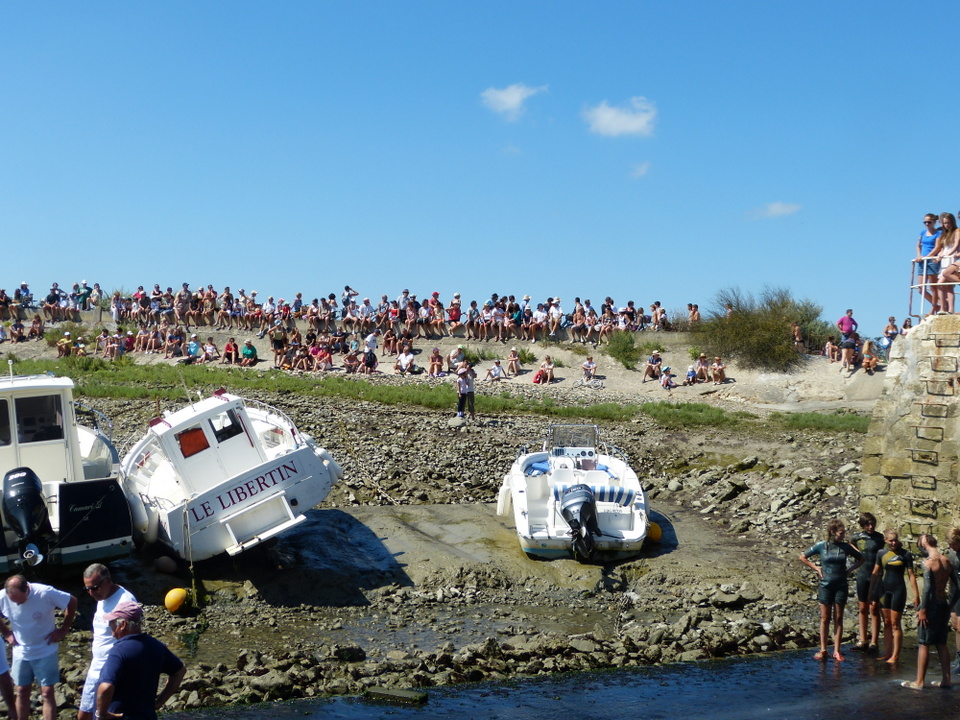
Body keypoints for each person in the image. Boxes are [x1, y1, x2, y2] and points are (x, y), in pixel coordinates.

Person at [0, 575, 77, 720]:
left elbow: (71, 601)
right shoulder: (3, 597)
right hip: (21, 650)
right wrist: (5, 632)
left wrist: (63, 630)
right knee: (22, 690)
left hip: (45, 648)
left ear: (27, 588)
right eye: (13, 601)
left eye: (20, 600)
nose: (17, 604)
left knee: (47, 692)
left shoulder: (44, 593)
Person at [95, 602, 184, 720]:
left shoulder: (118, 651)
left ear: (123, 624)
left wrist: (101, 714)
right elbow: (180, 671)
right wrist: (160, 702)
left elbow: (105, 687)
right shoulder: (156, 646)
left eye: (112, 623)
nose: (110, 628)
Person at [799, 519, 864, 661]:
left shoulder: (846, 547)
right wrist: (816, 568)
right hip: (825, 585)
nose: (843, 535)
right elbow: (803, 556)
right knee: (825, 618)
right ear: (833, 532)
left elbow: (861, 558)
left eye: (844, 533)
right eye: (841, 533)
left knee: (838, 618)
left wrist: (849, 570)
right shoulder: (822, 546)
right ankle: (823, 649)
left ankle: (836, 650)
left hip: (841, 585)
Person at [77, 565, 136, 720]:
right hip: (95, 667)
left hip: (113, 670)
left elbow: (131, 638)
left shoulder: (125, 601)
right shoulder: (101, 597)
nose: (91, 593)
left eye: (94, 588)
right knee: (84, 714)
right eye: (87, 589)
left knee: (106, 715)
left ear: (108, 581)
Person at [903, 534, 959, 689]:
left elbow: (927, 589)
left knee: (924, 643)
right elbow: (958, 588)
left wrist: (923, 610)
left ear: (924, 544)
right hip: (943, 605)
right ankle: (946, 680)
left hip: (931, 605)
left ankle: (919, 682)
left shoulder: (928, 562)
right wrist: (950, 606)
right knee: (942, 643)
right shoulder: (947, 561)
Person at [866, 530, 917, 665]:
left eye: (895, 540)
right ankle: (888, 653)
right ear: (885, 540)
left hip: (898, 590)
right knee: (887, 623)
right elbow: (875, 572)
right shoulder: (881, 553)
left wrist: (916, 594)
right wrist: (871, 592)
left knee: (895, 624)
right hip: (883, 590)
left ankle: (895, 655)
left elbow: (911, 575)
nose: (893, 543)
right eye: (890, 540)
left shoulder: (905, 554)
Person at [851, 512, 884, 654]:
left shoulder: (879, 538)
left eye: (872, 524)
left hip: (876, 575)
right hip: (862, 575)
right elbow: (850, 543)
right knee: (863, 607)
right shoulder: (858, 537)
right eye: (867, 524)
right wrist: (858, 554)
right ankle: (863, 639)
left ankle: (874, 641)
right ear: (863, 525)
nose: (870, 527)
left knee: (874, 607)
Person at [916, 213, 943, 313]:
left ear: (934, 222)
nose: (927, 224)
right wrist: (919, 255)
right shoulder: (923, 232)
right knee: (920, 287)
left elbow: (937, 247)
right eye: (925, 222)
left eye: (929, 222)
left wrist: (928, 257)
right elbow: (918, 245)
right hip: (922, 261)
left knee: (933, 286)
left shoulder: (938, 233)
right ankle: (937, 304)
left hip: (932, 260)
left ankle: (934, 307)